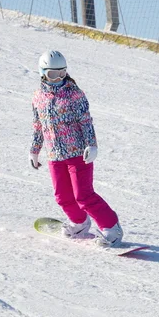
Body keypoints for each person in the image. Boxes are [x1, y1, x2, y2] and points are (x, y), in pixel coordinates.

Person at [29, 50, 123, 247]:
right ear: (42, 73)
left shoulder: (74, 94)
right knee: (62, 197)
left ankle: (112, 229)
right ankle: (79, 223)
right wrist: (34, 149)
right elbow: (38, 125)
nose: (59, 78)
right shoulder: (38, 97)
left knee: (84, 195)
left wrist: (92, 144)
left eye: (62, 73)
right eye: (53, 74)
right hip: (54, 154)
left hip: (78, 153)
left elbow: (86, 121)